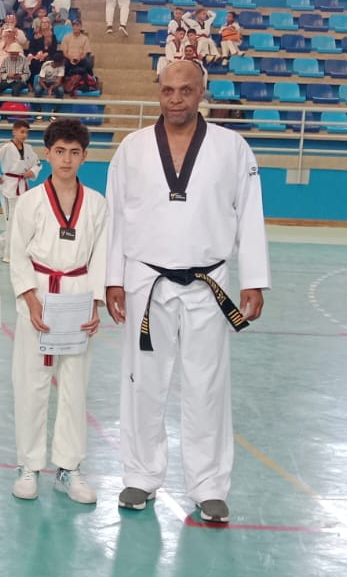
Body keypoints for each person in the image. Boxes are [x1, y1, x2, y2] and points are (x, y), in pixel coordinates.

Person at [105, 61, 270, 523]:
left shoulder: (232, 147)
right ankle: (140, 475)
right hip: (145, 281)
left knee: (207, 384)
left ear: (202, 93)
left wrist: (254, 278)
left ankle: (209, 485)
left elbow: (250, 212)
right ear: (158, 92)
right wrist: (112, 277)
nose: (176, 99)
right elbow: (116, 216)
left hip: (208, 283)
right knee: (142, 381)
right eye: (168, 91)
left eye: (186, 90)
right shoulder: (132, 148)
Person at [7, 118, 107, 503]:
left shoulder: (96, 203)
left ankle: (69, 468)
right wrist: (30, 299)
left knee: (74, 386)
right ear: (47, 154)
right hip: (38, 295)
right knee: (31, 383)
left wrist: (95, 303)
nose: (66, 159)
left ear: (85, 156)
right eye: (60, 151)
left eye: (74, 153)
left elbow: (101, 255)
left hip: (78, 296)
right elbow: (17, 253)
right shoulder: (30, 201)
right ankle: (28, 465)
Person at [0, 119, 41, 256]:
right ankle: (8, 253)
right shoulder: (5, 147)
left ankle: (11, 247)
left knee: (22, 221)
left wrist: (32, 172)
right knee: (11, 221)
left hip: (23, 187)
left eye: (26, 132)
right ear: (14, 132)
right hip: (8, 187)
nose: (24, 135)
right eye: (22, 132)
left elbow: (37, 163)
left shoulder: (28, 148)